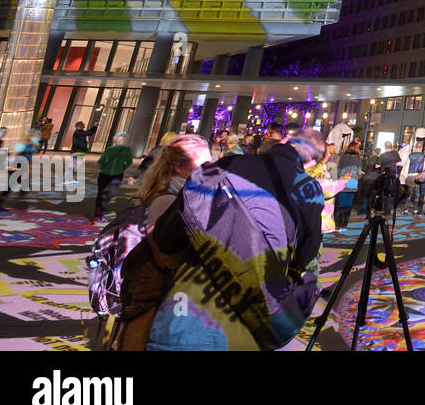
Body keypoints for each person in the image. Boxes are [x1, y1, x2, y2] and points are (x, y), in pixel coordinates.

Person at [130, 128, 325, 351]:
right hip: (246, 328)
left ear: (285, 141)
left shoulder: (226, 166)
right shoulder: (309, 190)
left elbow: (166, 238)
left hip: (181, 321)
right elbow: (306, 259)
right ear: (310, 162)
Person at [116, 134, 213, 349]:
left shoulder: (181, 195)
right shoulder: (169, 201)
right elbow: (167, 255)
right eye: (202, 163)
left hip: (165, 299)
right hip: (156, 301)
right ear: (179, 168)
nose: (208, 169)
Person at [93, 132, 135, 223]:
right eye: (120, 137)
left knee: (108, 196)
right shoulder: (109, 149)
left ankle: (101, 214)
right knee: (100, 195)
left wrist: (122, 168)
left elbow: (129, 161)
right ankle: (97, 216)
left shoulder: (126, 150)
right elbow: (100, 161)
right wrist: (103, 168)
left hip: (117, 176)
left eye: (124, 138)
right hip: (104, 175)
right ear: (116, 139)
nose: (122, 139)